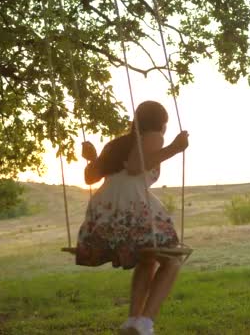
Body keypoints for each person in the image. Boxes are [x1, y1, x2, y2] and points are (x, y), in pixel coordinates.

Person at [75, 100, 189, 335]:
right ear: (161, 123)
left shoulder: (117, 144)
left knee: (148, 259)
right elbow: (137, 167)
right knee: (172, 259)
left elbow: (90, 178)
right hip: (132, 207)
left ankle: (133, 322)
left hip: (104, 209)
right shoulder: (153, 136)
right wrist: (175, 148)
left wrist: (93, 158)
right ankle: (146, 323)